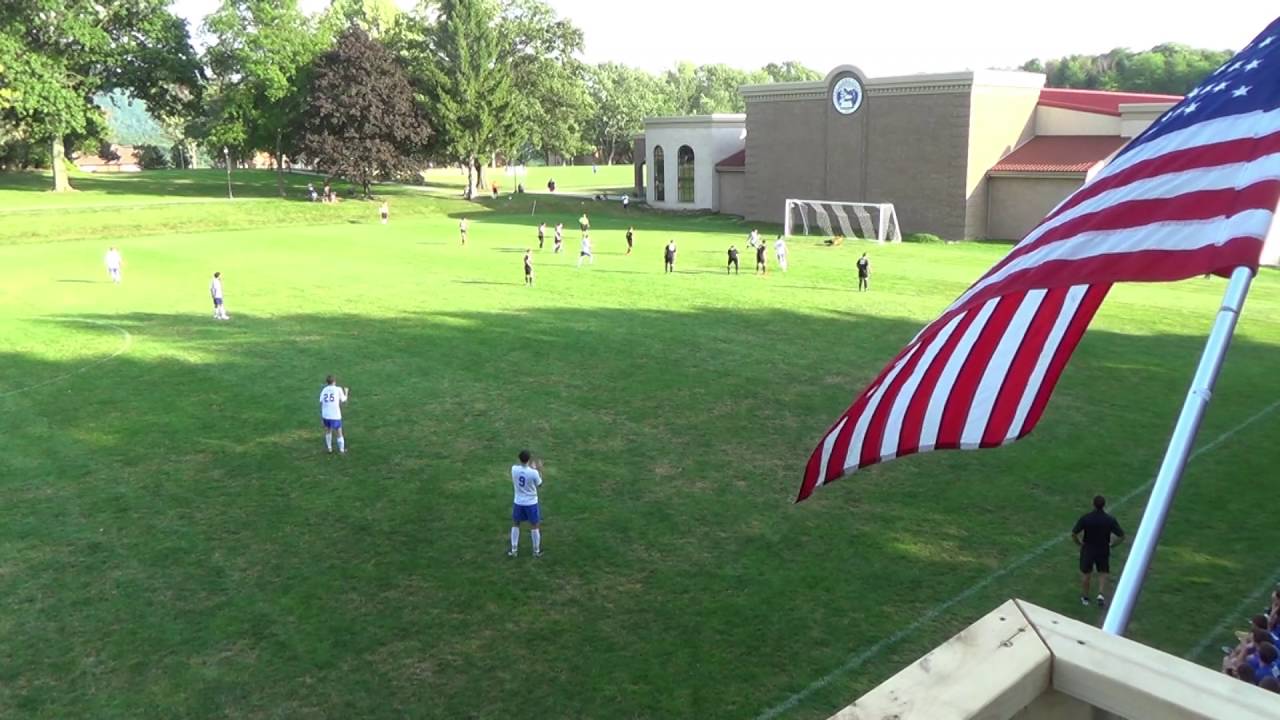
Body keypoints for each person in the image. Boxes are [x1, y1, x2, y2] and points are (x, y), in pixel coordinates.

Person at [1071, 495, 1125, 608]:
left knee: (1087, 573)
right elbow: (1121, 536)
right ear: (1104, 505)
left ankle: (1085, 597)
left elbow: (1074, 533)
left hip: (1088, 548)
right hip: (1103, 548)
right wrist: (1112, 545)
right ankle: (1100, 594)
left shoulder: (1086, 518)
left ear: (1093, 504)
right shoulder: (1109, 520)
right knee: (1103, 572)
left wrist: (1079, 543)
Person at [508, 449, 544, 558]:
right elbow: (540, 484)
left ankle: (514, 550)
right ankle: (536, 551)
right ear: (529, 459)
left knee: (516, 524)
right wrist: (538, 469)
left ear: (519, 459)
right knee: (534, 525)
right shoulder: (533, 473)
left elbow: (521, 470)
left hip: (518, 501)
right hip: (531, 503)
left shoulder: (514, 469)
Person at [319, 374, 350, 454]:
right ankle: (342, 450)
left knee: (328, 431)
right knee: (339, 432)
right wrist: (346, 392)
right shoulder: (338, 389)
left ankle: (329, 448)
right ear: (334, 382)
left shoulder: (324, 390)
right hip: (335, 414)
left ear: (327, 382)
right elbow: (343, 400)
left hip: (325, 414)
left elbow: (321, 401)